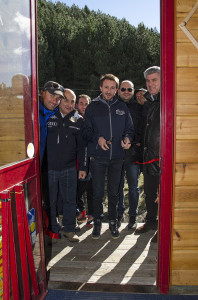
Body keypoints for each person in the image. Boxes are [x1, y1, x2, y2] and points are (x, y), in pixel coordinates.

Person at [83, 74, 134, 239]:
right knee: (97, 192)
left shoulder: (122, 107)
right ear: (100, 88)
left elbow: (130, 129)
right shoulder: (92, 107)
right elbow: (87, 131)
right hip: (97, 157)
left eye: (113, 88)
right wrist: (98, 138)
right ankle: (97, 222)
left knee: (114, 193)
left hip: (117, 157)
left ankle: (113, 222)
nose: (109, 91)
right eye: (106, 87)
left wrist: (127, 138)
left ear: (117, 89)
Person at [46, 88, 87, 242]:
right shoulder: (49, 116)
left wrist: (83, 167)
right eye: (65, 100)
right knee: (51, 200)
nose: (69, 104)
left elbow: (83, 147)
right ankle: (53, 229)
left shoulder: (78, 120)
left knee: (70, 200)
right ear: (59, 100)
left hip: (69, 168)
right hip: (49, 168)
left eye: (72, 101)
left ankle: (69, 230)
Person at [135, 66, 161, 234]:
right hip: (148, 154)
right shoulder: (147, 100)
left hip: (163, 155)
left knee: (164, 194)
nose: (150, 84)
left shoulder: (168, 97)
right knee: (150, 191)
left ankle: (164, 228)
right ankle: (151, 221)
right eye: (148, 81)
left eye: (154, 80)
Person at [39, 81, 65, 239]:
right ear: (42, 93)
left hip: (51, 162)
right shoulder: (32, 111)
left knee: (51, 196)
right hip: (33, 163)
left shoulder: (58, 114)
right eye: (51, 96)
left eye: (58, 98)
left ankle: (51, 226)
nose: (54, 101)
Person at [118, 81, 145, 230]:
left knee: (134, 188)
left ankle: (133, 217)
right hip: (116, 154)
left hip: (133, 154)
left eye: (129, 89)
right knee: (117, 186)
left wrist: (136, 142)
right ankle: (119, 215)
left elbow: (142, 127)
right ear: (118, 90)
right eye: (123, 89)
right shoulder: (113, 105)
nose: (126, 91)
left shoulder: (138, 108)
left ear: (133, 91)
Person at [75, 94, 94, 227]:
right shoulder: (74, 120)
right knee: (78, 189)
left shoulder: (93, 119)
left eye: (86, 103)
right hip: (78, 159)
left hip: (92, 159)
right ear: (76, 105)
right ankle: (81, 212)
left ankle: (91, 215)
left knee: (91, 189)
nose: (83, 106)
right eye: (81, 103)